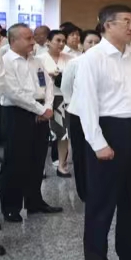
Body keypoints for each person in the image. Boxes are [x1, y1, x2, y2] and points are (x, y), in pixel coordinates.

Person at [74, 4, 131, 260]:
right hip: (108, 130)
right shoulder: (93, 58)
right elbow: (86, 104)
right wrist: (98, 142)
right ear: (107, 25)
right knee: (102, 201)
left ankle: (130, 254)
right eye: (126, 21)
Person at [0, 23, 62, 223]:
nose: (33, 42)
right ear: (13, 40)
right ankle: (11, 207)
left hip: (42, 111)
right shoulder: (5, 61)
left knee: (37, 158)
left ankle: (34, 202)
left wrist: (48, 107)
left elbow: (49, 85)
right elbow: (13, 92)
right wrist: (41, 110)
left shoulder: (37, 61)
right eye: (27, 38)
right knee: (15, 161)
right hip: (17, 113)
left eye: (32, 37)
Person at [61, 28, 102, 202]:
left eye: (96, 42)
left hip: (101, 113)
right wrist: (75, 105)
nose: (93, 45)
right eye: (89, 42)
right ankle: (84, 191)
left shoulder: (104, 63)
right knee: (81, 152)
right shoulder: (75, 63)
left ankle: (99, 188)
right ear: (82, 44)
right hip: (79, 113)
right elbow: (66, 88)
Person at [44, 30, 75, 178]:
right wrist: (49, 75)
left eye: (63, 41)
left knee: (63, 134)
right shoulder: (39, 58)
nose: (61, 44)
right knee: (44, 134)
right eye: (58, 40)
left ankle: (62, 165)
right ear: (48, 42)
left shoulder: (70, 59)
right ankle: (41, 167)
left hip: (64, 99)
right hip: (45, 99)